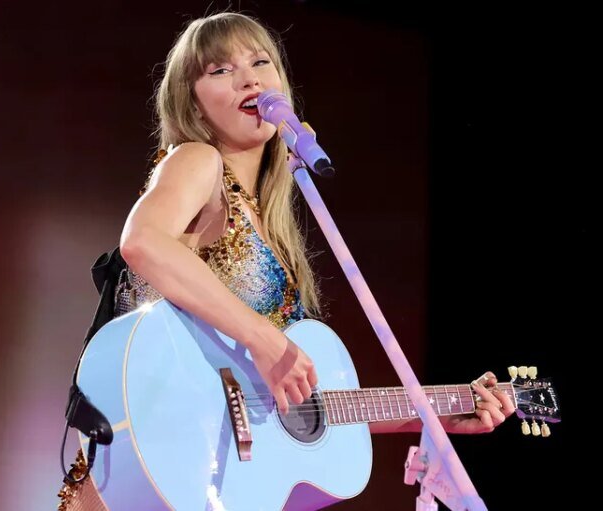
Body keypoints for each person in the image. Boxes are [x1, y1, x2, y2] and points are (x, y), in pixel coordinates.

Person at [58, 11, 515, 510]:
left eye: (260, 62)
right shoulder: (197, 160)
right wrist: (263, 337)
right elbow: (143, 242)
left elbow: (292, 407)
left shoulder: (273, 224)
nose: (249, 79)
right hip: (150, 469)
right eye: (221, 70)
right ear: (192, 103)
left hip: (208, 483)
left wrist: (437, 414)